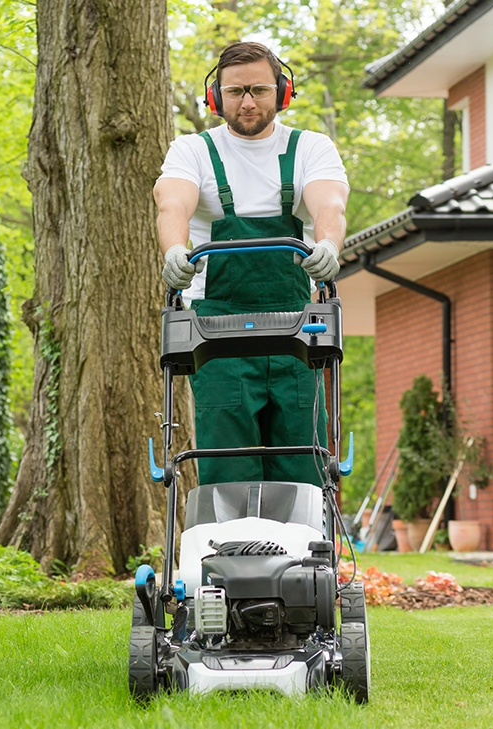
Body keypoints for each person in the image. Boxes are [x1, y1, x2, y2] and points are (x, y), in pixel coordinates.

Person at [153, 41, 349, 487]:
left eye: (259, 90)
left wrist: (329, 245)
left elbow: (329, 205)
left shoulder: (310, 149)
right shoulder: (193, 151)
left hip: (298, 333)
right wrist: (173, 251)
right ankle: (228, 552)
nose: (246, 102)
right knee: (227, 464)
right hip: (214, 337)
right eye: (235, 91)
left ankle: (306, 553)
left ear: (282, 91)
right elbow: (172, 204)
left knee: (303, 463)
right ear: (215, 96)